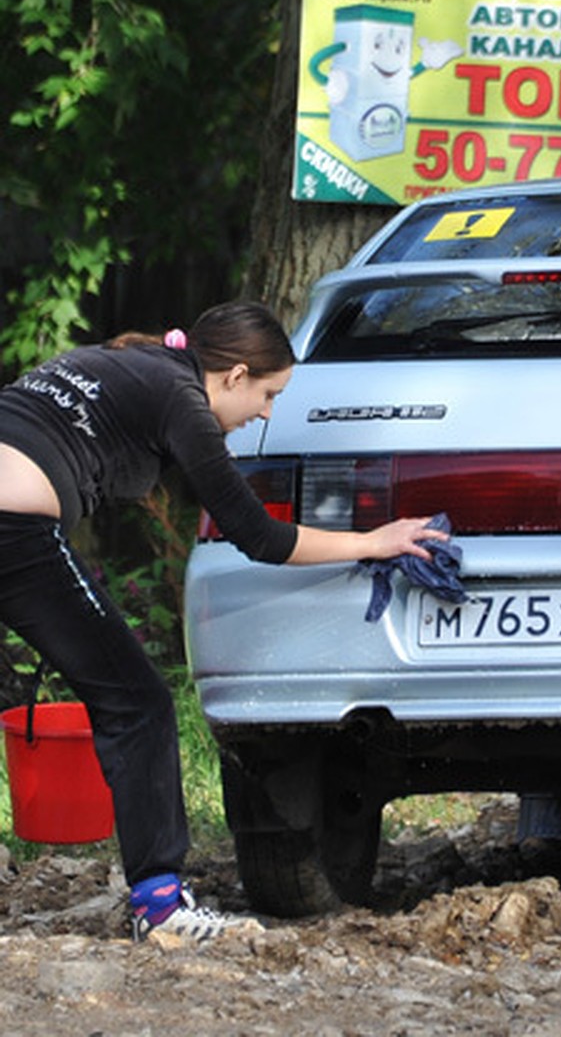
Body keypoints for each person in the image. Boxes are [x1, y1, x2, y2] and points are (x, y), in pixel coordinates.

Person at [0, 301, 445, 942]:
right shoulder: (182, 400)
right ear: (234, 375)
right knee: (138, 701)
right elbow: (258, 536)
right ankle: (161, 905)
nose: (265, 412)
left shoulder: (137, 362)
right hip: (14, 530)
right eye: (267, 395)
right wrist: (373, 543)